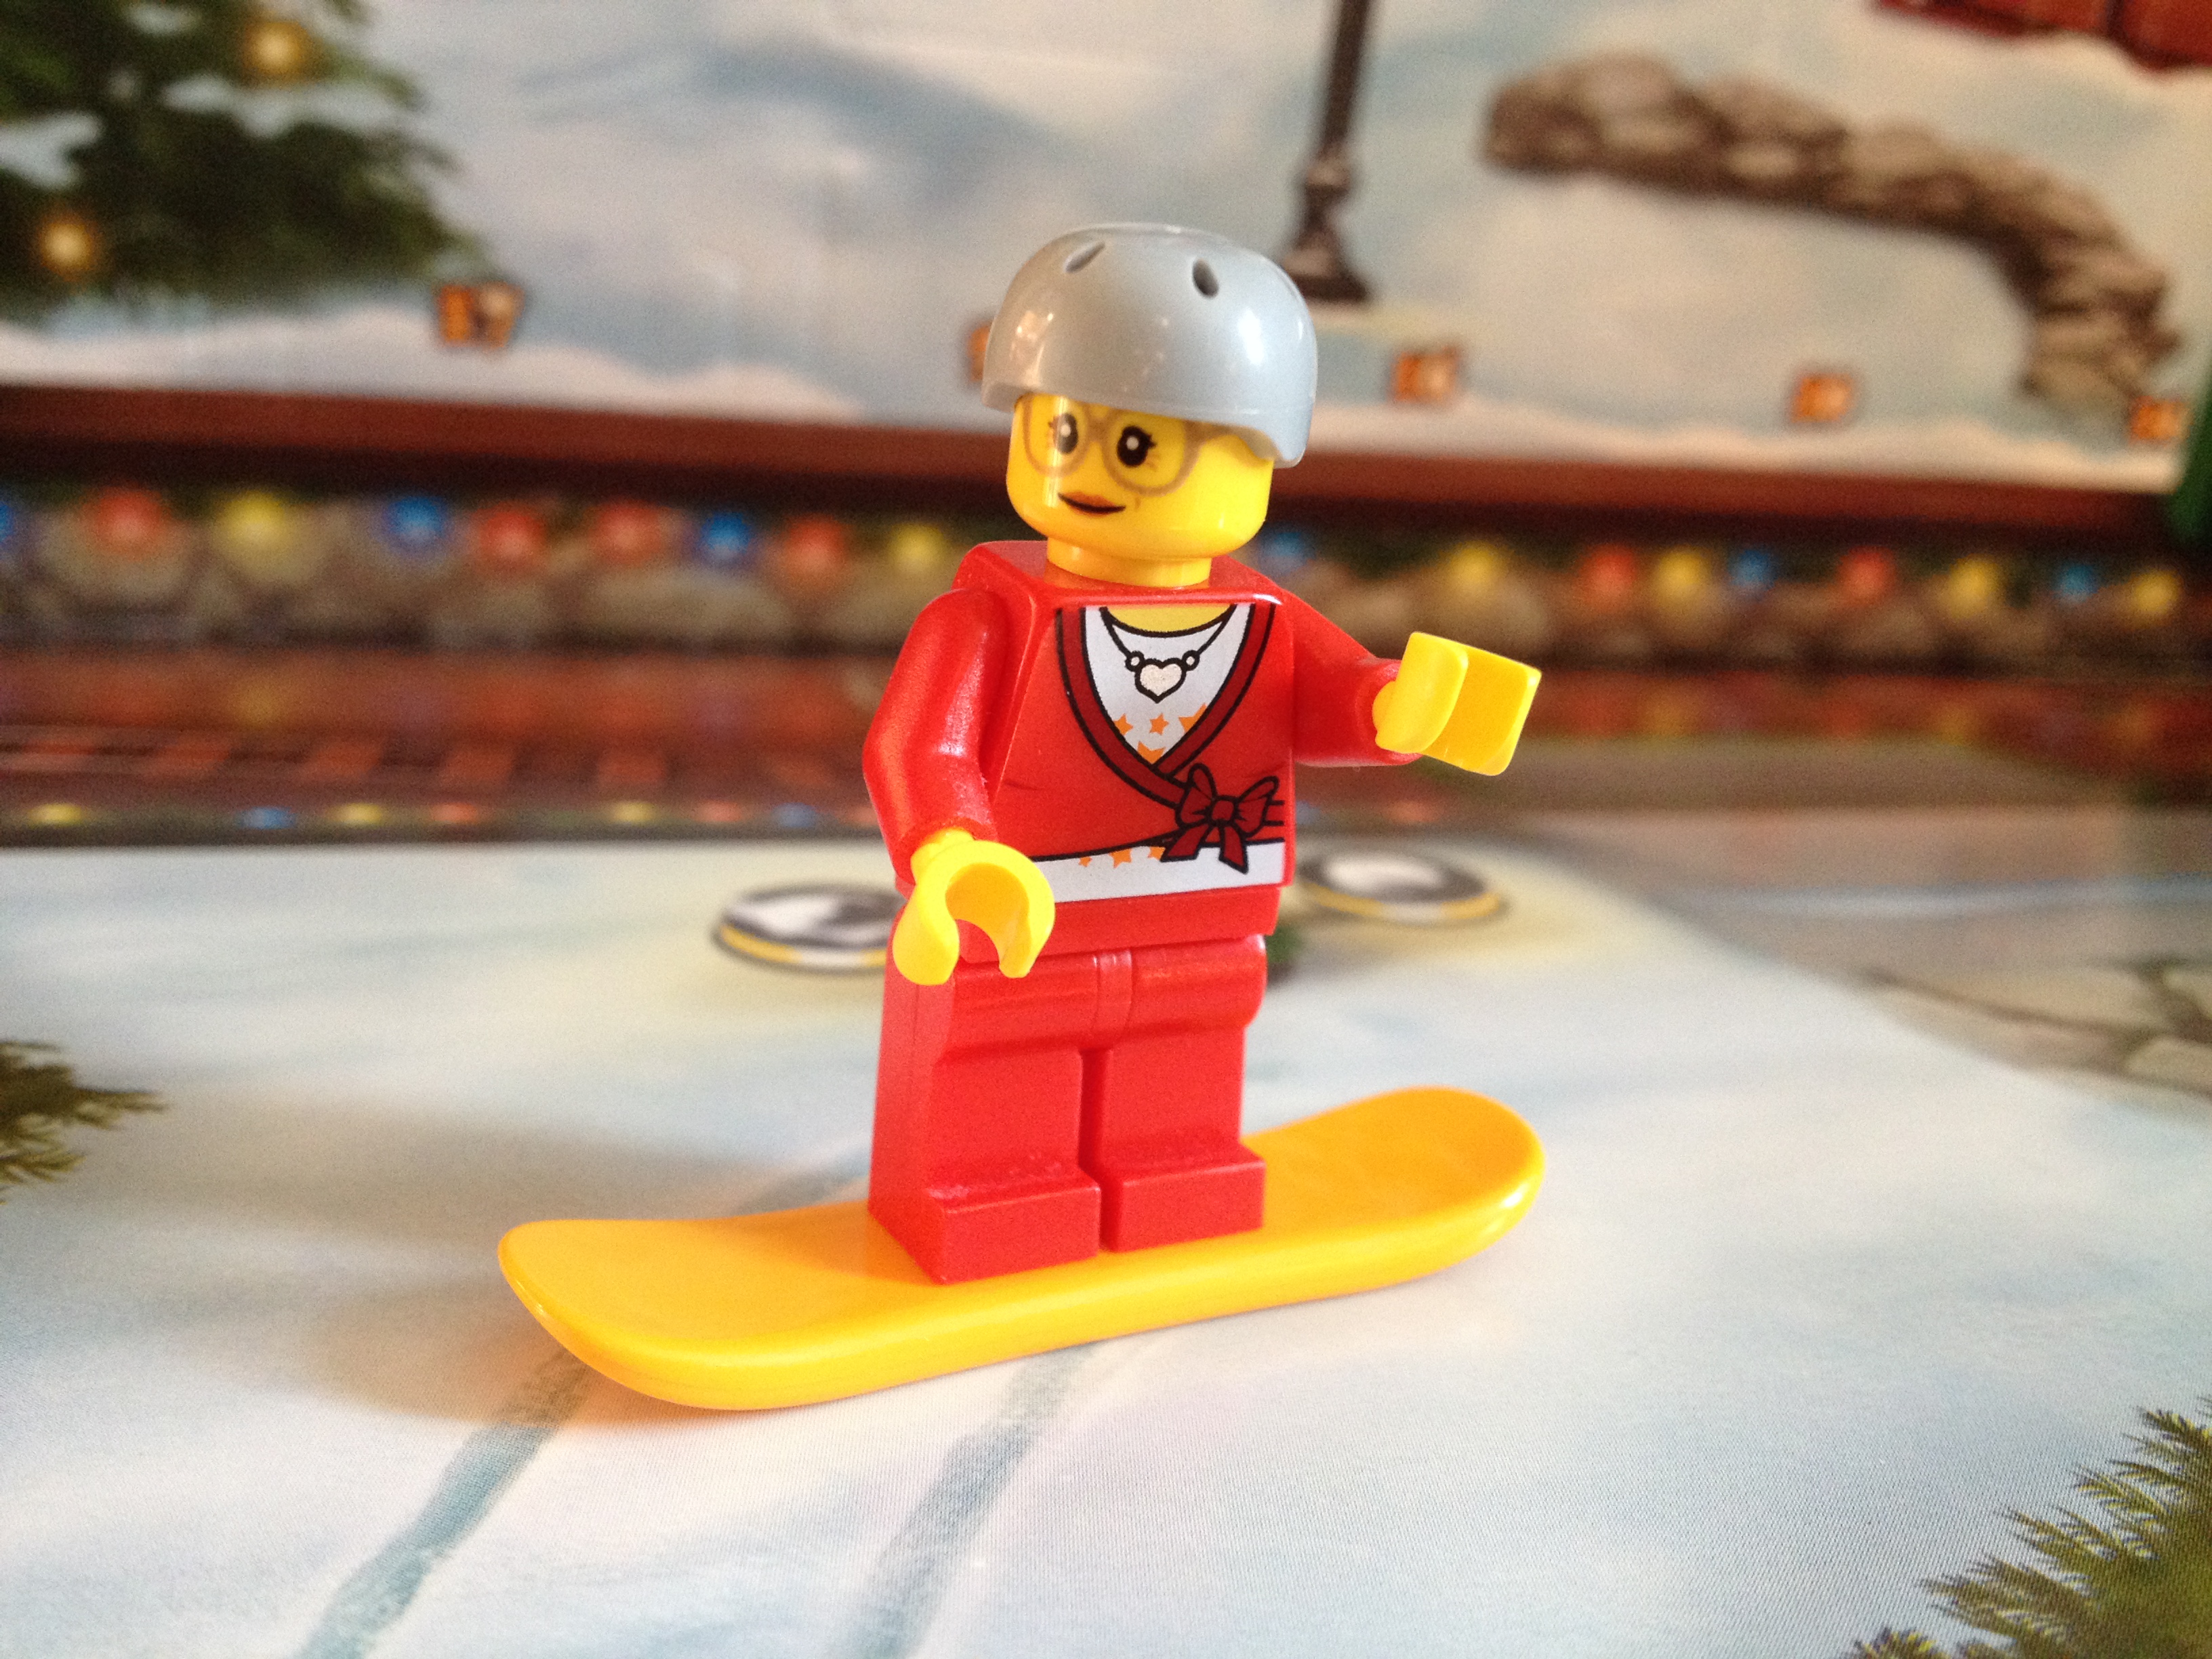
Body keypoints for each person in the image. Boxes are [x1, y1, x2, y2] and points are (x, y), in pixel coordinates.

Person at [864, 224, 1538, 1283]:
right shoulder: (986, 616)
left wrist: (1401, 708)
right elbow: (920, 748)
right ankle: (987, 1192)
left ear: (1255, 455)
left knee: (1185, 1043)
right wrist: (952, 853)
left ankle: (1173, 1172)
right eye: (1062, 431)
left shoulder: (1261, 615)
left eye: (1138, 447)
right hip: (1024, 911)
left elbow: (1329, 700)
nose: (1089, 469)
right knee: (1004, 1046)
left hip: (1205, 912)